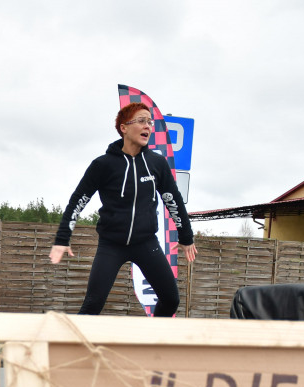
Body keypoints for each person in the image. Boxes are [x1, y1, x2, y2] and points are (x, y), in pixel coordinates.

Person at [50, 102, 198, 317]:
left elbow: (173, 200)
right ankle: (75, 348)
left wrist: (186, 236)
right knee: (93, 304)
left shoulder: (157, 163)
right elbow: (77, 201)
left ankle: (150, 345)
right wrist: (63, 238)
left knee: (171, 299)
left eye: (149, 121)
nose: (147, 126)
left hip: (146, 243)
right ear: (124, 128)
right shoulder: (103, 165)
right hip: (111, 245)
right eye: (141, 121)